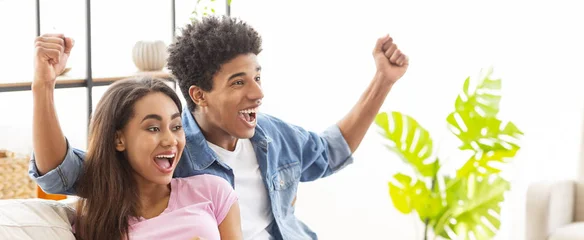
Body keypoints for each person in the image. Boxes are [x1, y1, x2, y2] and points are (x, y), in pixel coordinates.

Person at [29, 16, 409, 239]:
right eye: (239, 82)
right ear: (200, 95)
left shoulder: (271, 136)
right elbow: (60, 171)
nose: (258, 93)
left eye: (258, 76)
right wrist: (44, 84)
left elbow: (329, 152)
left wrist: (383, 81)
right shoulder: (168, 157)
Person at [31, 34, 242, 240]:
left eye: (176, 126)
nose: (171, 140)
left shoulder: (213, 190)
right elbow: (56, 170)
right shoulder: (97, 222)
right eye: (153, 128)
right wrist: (43, 85)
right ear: (118, 139)